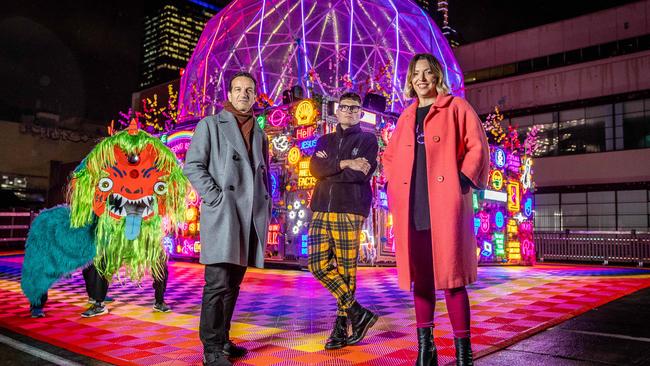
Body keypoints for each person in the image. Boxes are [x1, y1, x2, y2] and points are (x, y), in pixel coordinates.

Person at [382, 53, 489, 366]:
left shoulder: (456, 107)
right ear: (411, 80)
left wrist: (462, 179)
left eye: (428, 72)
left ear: (437, 76)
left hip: (444, 203)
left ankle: (463, 354)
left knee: (452, 280)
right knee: (422, 280)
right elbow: (388, 158)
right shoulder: (406, 116)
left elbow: (477, 145)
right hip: (413, 204)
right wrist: (392, 185)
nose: (422, 78)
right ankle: (425, 350)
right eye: (416, 73)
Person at [184, 71, 271, 366]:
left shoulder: (260, 133)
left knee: (233, 284)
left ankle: (222, 339)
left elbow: (264, 174)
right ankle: (210, 348)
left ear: (255, 95)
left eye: (249, 90)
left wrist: (265, 203)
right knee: (217, 283)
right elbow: (193, 166)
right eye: (238, 89)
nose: (244, 94)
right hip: (224, 213)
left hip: (248, 217)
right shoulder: (210, 124)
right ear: (230, 94)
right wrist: (215, 197)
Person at [308, 92, 380, 350]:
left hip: (349, 209)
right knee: (317, 265)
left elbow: (359, 176)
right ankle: (358, 313)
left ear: (360, 113)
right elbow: (314, 170)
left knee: (346, 272)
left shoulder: (369, 140)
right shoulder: (324, 139)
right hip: (319, 210)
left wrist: (331, 168)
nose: (349, 111)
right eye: (345, 107)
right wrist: (346, 162)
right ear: (336, 111)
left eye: (355, 108)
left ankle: (340, 329)